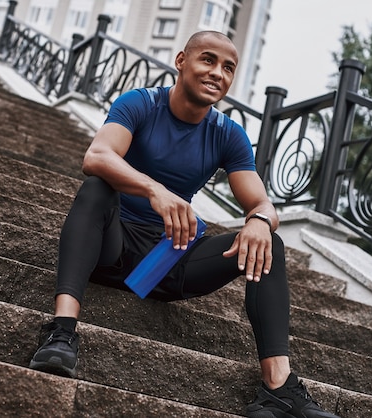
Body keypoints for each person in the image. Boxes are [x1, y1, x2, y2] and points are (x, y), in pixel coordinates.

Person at [29, 30, 340, 418]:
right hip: (109, 248)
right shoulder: (140, 104)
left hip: (162, 265)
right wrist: (153, 189)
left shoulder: (228, 135)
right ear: (181, 61)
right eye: (207, 60)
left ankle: (278, 387)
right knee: (96, 188)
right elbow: (97, 155)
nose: (218, 74)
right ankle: (61, 332)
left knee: (268, 243)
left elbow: (261, 201)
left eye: (228, 68)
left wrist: (260, 220)